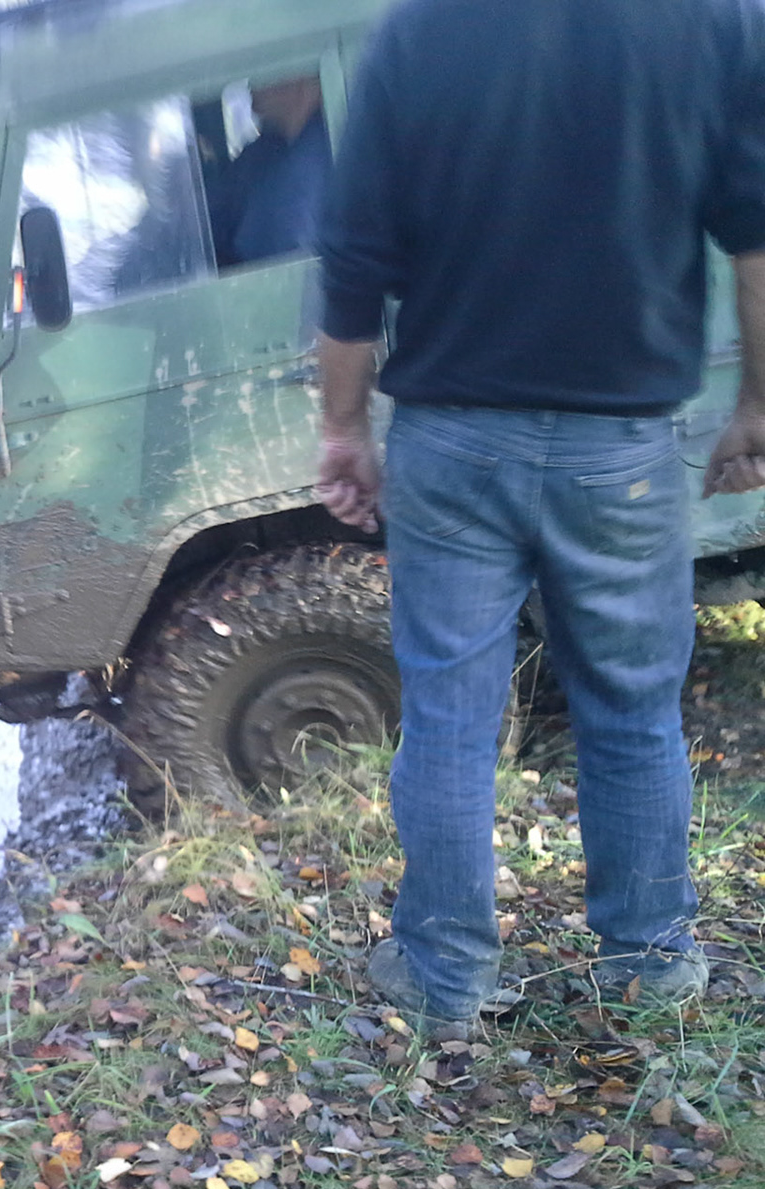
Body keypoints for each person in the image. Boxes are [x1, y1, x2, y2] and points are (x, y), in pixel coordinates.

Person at [315, 0, 765, 1037]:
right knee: (632, 709)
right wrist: (758, 401)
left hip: (451, 438)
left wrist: (343, 427)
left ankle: (443, 977)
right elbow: (755, 230)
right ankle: (650, 965)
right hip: (623, 446)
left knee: (450, 714)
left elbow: (354, 253)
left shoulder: (419, 28)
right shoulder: (712, 19)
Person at [207, 75, 329, 269]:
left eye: (262, 74)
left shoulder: (327, 147)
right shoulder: (264, 152)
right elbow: (211, 222)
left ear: (298, 79)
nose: (250, 84)